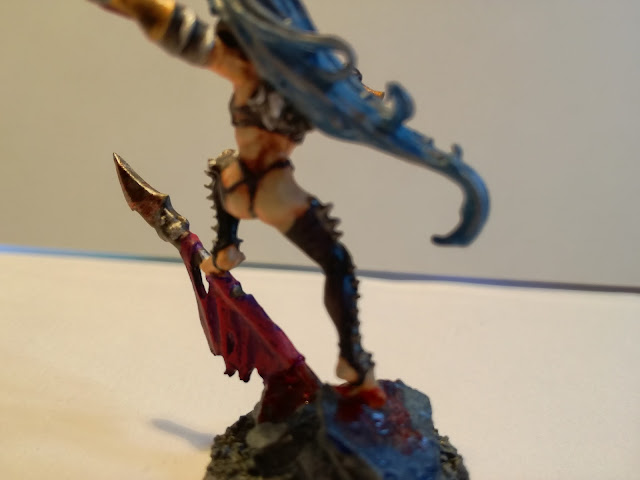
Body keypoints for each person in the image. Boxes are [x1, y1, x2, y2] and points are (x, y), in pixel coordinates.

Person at [89, 0, 490, 392]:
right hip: (272, 192)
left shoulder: (242, 65)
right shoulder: (311, 87)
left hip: (235, 189)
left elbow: (171, 23)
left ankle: (226, 247)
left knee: (223, 163)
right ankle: (352, 357)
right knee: (337, 263)